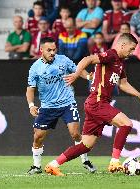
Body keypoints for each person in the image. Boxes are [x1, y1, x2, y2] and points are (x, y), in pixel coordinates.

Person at [44, 33, 140, 176]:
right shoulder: (111, 55)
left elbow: (123, 84)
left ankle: (53, 165)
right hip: (98, 102)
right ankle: (114, 161)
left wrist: (139, 95)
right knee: (126, 124)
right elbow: (89, 58)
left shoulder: (119, 63)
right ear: (123, 45)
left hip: (95, 103)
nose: (131, 53)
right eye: (131, 49)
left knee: (85, 146)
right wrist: (76, 74)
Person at [26, 37, 96, 175]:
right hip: (47, 106)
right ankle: (36, 166)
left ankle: (85, 160)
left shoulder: (63, 60)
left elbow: (78, 70)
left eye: (54, 49)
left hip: (67, 103)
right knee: (38, 137)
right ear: (41, 50)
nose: (52, 52)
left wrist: (88, 77)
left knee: (75, 133)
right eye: (49, 50)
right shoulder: (35, 68)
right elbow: (30, 88)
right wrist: (31, 105)